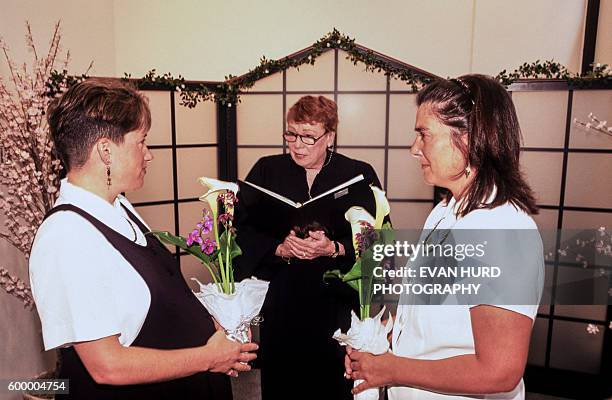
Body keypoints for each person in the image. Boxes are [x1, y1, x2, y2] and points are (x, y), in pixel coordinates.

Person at [29, 79, 257, 399]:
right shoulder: (67, 237)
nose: (148, 155)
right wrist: (208, 357)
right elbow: (107, 365)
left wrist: (210, 324)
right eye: (141, 142)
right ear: (106, 151)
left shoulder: (118, 206)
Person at [345, 74, 544, 400]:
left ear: (470, 138)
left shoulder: (501, 231)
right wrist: (378, 341)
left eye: (424, 135)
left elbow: (499, 371)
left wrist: (391, 369)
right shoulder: (446, 209)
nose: (414, 148)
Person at [234, 95, 384, 400]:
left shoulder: (358, 173)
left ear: (329, 136)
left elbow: (379, 237)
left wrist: (335, 248)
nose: (297, 145)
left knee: (335, 383)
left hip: (336, 300)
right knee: (283, 384)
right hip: (283, 298)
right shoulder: (266, 170)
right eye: (291, 134)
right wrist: (278, 248)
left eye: (308, 137)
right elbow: (239, 231)